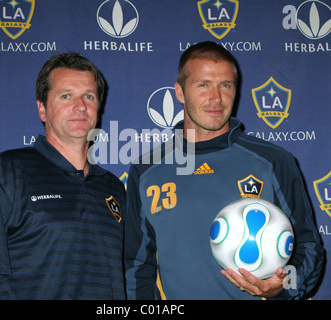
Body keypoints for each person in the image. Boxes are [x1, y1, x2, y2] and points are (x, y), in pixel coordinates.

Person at [124, 41, 324, 300]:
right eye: (203, 85)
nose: (216, 99)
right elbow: (136, 264)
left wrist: (286, 284)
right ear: (180, 92)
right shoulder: (147, 170)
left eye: (226, 85)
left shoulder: (274, 160)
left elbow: (309, 247)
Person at [0, 53, 126, 299]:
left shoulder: (113, 187)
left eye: (89, 96)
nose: (80, 106)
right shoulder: (9, 171)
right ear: (42, 109)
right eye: (66, 96)